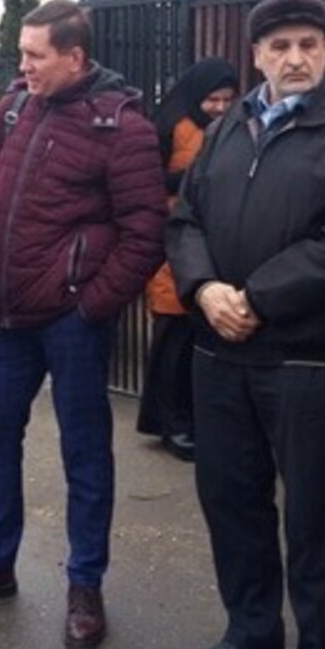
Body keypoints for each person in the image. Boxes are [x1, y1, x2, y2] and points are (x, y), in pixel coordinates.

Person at [0, 0, 166, 649]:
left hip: (70, 324)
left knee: (85, 455)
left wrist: (90, 306)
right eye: (21, 53)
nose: (22, 65)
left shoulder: (122, 126)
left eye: (35, 55)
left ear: (75, 57)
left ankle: (84, 585)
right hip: (1, 317)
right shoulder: (14, 106)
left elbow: (146, 233)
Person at [166, 0, 325, 649]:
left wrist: (256, 299)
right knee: (232, 506)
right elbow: (185, 220)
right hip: (219, 356)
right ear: (257, 55)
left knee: (316, 519)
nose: (296, 58)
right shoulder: (227, 127)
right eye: (281, 46)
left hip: (304, 362)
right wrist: (205, 289)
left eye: (309, 45)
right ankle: (251, 631)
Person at [137, 57, 239, 462]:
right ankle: (171, 425)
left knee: (200, 347)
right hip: (172, 250)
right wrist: (193, 179)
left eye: (226, 98)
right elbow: (147, 180)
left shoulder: (234, 126)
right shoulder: (170, 126)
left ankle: (191, 423)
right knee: (172, 347)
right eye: (211, 98)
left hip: (211, 249)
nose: (217, 106)